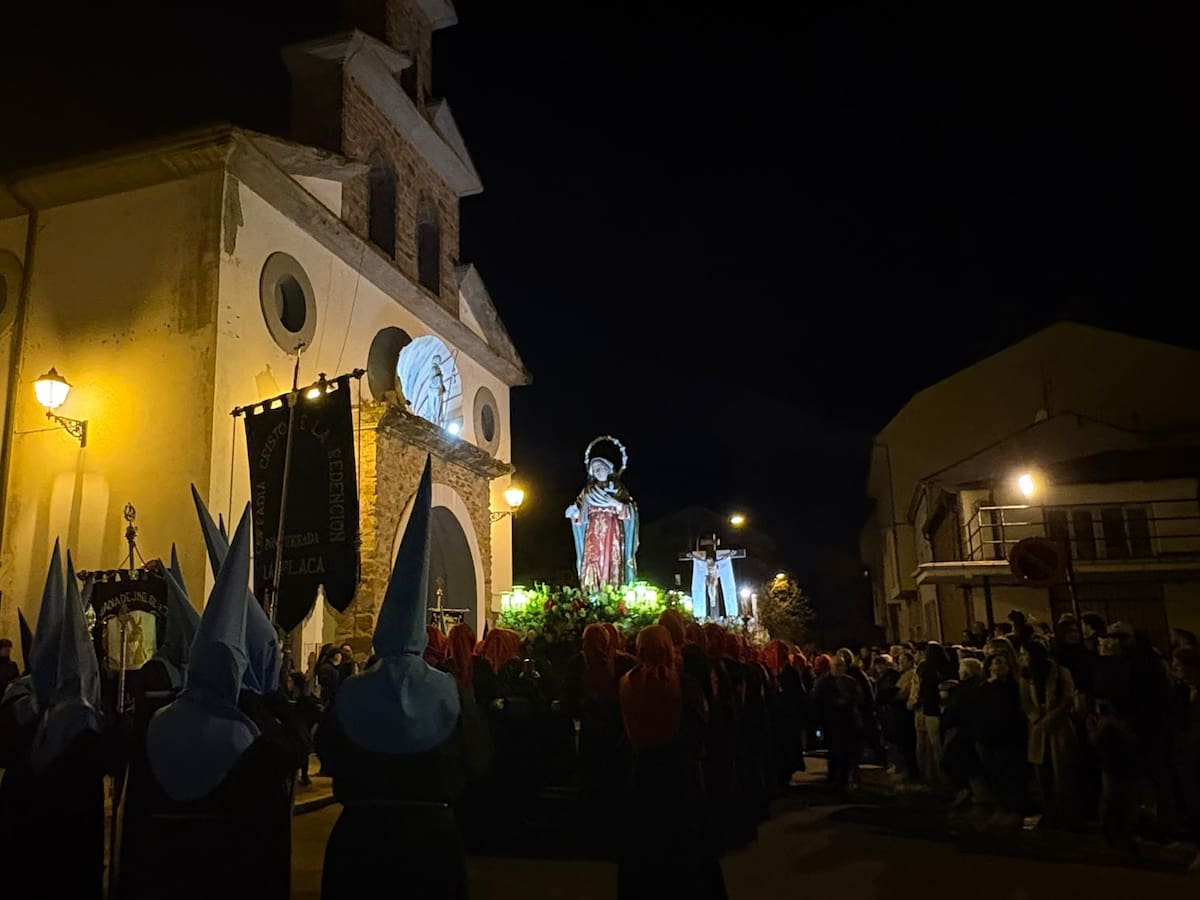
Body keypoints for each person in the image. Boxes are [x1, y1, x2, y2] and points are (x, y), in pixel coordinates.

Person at [317, 459, 490, 900]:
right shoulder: (448, 690)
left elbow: (329, 750)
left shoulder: (355, 689)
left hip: (360, 838)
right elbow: (477, 757)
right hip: (431, 839)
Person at [117, 509, 295, 900]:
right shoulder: (247, 735)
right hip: (223, 866)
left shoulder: (160, 725)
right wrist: (273, 705)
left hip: (163, 865)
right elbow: (289, 759)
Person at [617, 625, 727, 899]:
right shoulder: (683, 682)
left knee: (645, 847)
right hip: (679, 774)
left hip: (643, 771)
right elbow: (701, 723)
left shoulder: (627, 682)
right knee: (685, 847)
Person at [1019, 639, 1079, 828]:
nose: (1022, 658)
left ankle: (1067, 814)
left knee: (1062, 772)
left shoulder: (1060, 672)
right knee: (1042, 772)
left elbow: (1068, 698)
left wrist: (1052, 716)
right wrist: (1036, 718)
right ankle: (1049, 813)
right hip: (1038, 729)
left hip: (1058, 727)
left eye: (1024, 654)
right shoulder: (1026, 676)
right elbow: (1025, 701)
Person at [565, 448, 639, 591]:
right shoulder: (588, 490)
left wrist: (616, 504)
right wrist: (574, 513)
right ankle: (592, 591)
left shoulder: (618, 488)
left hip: (612, 529)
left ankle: (612, 590)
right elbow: (581, 512)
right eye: (595, 470)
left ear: (608, 469)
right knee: (594, 559)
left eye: (601, 468)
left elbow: (630, 510)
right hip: (593, 530)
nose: (599, 472)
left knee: (611, 558)